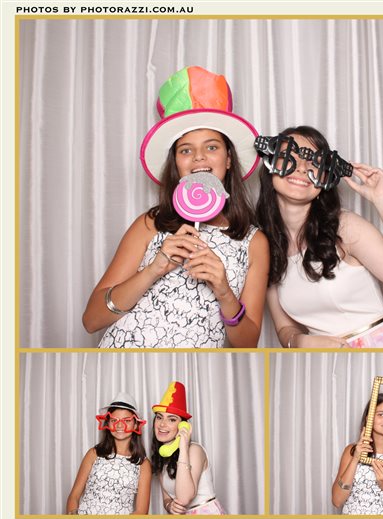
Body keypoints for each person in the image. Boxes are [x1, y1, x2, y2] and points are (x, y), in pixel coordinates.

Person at [83, 66, 269, 348]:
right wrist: (154, 269)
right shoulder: (151, 223)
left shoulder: (254, 242)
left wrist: (223, 291)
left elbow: (247, 345)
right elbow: (91, 320)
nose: (198, 157)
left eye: (211, 147)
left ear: (229, 159)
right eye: (185, 150)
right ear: (176, 163)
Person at [255, 126, 383, 348]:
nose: (301, 167)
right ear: (270, 166)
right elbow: (284, 327)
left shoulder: (344, 228)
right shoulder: (266, 245)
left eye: (314, 162)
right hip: (323, 363)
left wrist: (381, 199)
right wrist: (301, 341)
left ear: (325, 177)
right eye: (289, 157)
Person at [66, 393, 151, 515]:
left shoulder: (143, 464)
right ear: (108, 423)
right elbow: (74, 496)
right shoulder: (93, 454)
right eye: (114, 420)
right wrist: (73, 517)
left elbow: (141, 512)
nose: (119, 425)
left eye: (127, 420)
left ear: (136, 424)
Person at [151, 381, 226, 515]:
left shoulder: (195, 450)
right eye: (159, 417)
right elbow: (167, 497)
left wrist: (183, 447)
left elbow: (184, 498)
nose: (162, 424)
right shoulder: (162, 454)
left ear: (183, 426)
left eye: (172, 419)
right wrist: (169, 506)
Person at [332, 393, 383, 514]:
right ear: (368, 418)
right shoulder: (351, 451)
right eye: (381, 414)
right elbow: (337, 501)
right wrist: (355, 459)